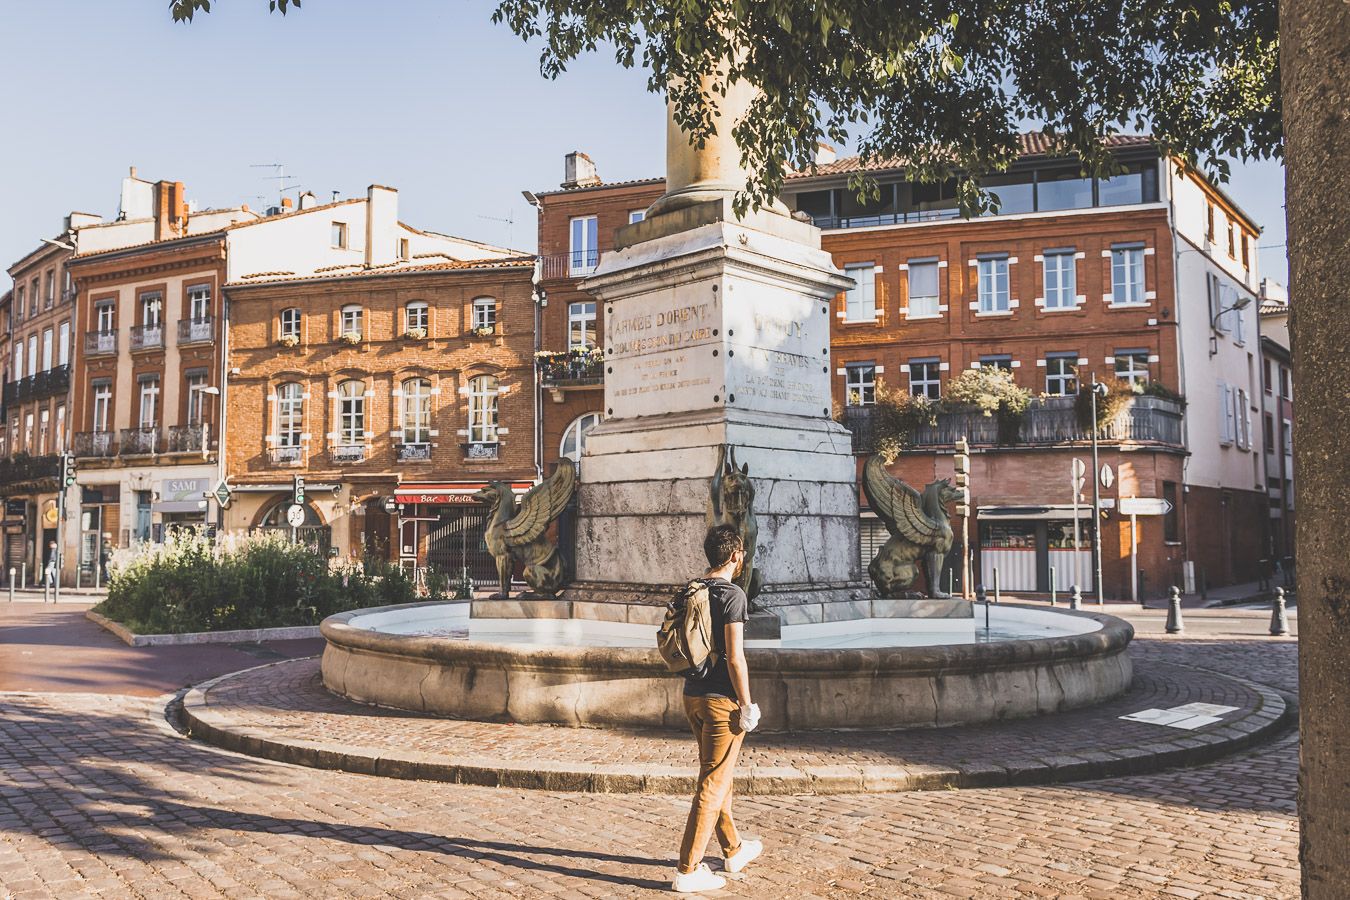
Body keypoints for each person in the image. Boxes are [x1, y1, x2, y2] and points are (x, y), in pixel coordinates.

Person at [672, 525, 763, 893]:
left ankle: (733, 849)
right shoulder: (733, 595)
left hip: (692, 694)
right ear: (736, 556)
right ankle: (688, 869)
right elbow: (735, 658)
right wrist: (747, 704)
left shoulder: (691, 589)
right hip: (721, 702)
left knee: (717, 774)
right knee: (712, 783)